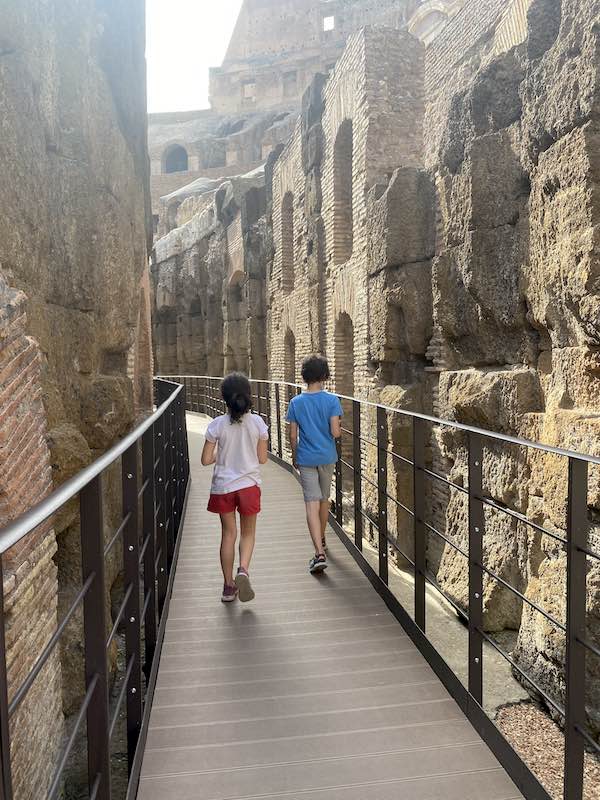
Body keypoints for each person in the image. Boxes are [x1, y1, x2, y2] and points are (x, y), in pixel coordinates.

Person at [201, 372, 269, 602]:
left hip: (223, 487)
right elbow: (262, 459)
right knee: (248, 533)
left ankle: (229, 587)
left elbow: (205, 459)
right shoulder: (258, 423)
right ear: (248, 395)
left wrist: (222, 452)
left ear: (224, 398)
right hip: (249, 485)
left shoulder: (216, 425)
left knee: (228, 534)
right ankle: (243, 570)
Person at [286, 354, 342, 574]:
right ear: (324, 375)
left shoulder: (296, 402)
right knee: (324, 499)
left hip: (306, 458)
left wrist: (294, 455)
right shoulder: (331, 400)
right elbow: (336, 432)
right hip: (327, 456)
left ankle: (318, 552)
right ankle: (322, 538)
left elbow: (292, 435)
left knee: (311, 503)